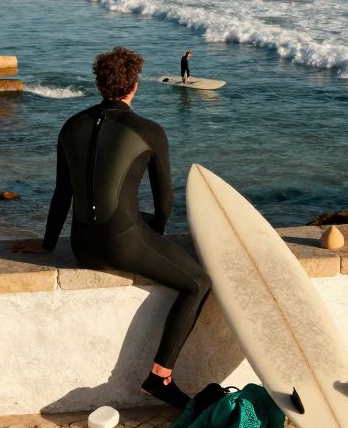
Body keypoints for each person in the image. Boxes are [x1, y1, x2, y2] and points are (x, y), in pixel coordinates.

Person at [14, 47, 210, 409]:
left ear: (98, 83)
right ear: (134, 85)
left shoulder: (71, 126)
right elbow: (164, 203)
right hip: (123, 244)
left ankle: (159, 376)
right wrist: (153, 235)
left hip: (81, 245)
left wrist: (47, 243)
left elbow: (62, 193)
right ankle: (160, 377)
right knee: (198, 283)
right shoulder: (150, 131)